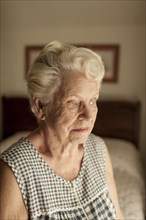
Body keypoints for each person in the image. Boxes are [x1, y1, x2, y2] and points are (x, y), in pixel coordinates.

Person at [0, 41, 124, 220]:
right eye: (73, 103)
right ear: (41, 106)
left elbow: (118, 216)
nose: (89, 116)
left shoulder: (98, 149)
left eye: (92, 101)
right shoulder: (14, 171)